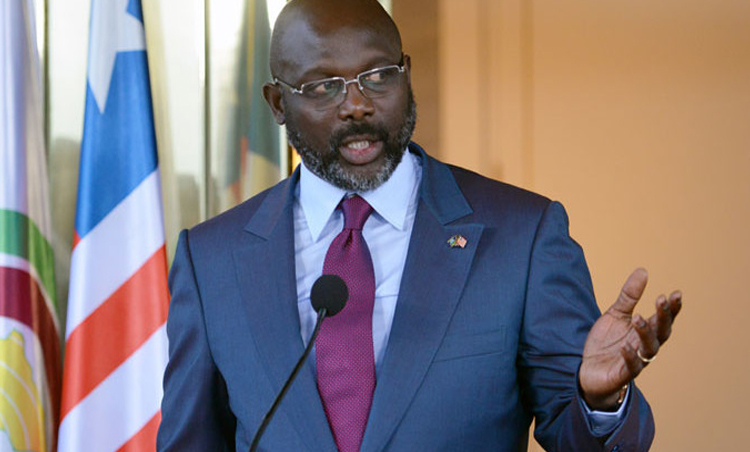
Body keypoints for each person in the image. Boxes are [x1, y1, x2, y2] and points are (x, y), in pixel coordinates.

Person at [157, 0, 682, 450]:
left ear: (406, 74)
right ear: (277, 103)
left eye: (378, 76)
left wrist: (599, 403)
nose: (357, 106)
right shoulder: (210, 261)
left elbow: (578, 436)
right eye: (323, 87)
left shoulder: (523, 236)